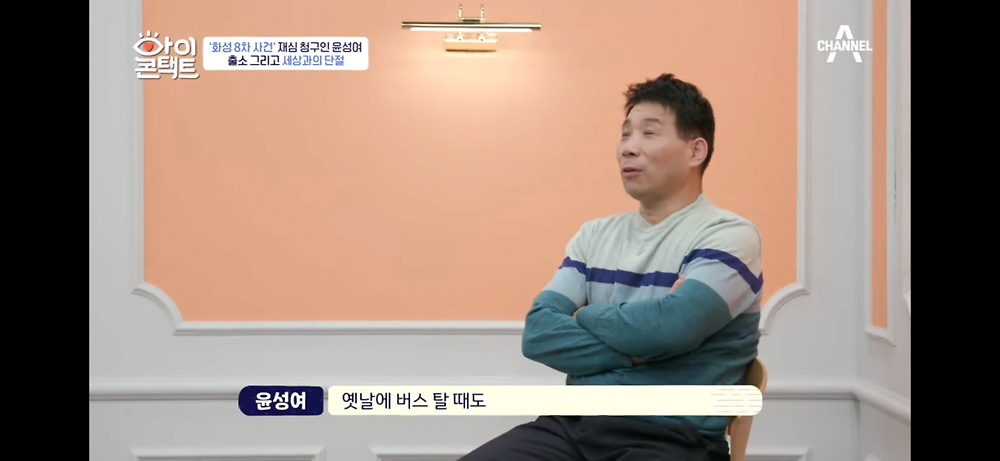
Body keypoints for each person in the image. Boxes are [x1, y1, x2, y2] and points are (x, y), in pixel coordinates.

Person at [459, 73, 763, 461]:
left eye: (649, 133)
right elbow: (537, 333)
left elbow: (670, 328)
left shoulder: (729, 235)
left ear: (695, 151)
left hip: (671, 438)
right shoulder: (594, 235)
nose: (629, 148)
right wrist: (643, 349)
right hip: (571, 426)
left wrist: (586, 315)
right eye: (625, 134)